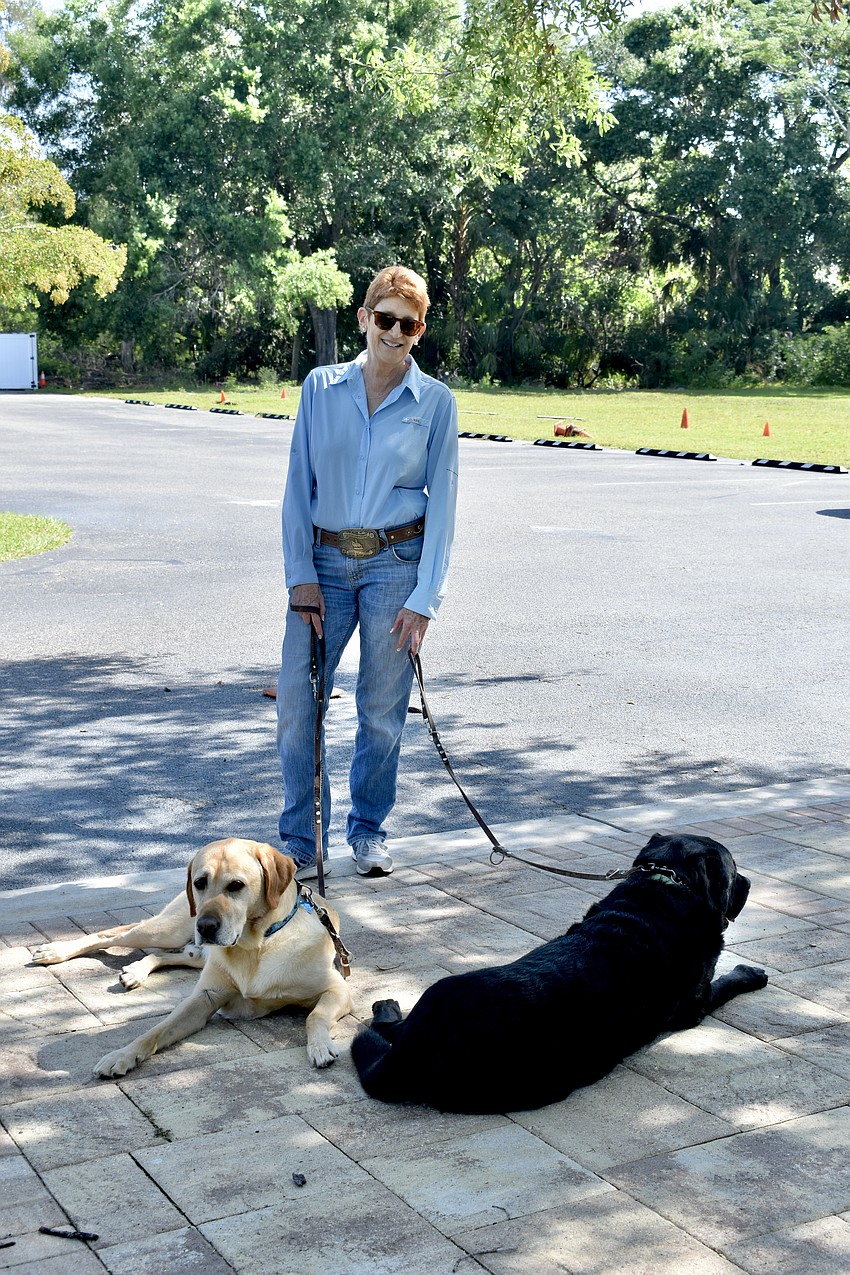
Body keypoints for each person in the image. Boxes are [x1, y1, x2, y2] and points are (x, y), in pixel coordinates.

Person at [276, 265, 459, 879]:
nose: (395, 332)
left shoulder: (434, 403)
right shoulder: (320, 388)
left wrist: (425, 598)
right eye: (385, 318)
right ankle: (300, 839)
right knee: (301, 705)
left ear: (419, 331)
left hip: (395, 566)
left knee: (381, 709)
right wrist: (300, 573)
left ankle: (368, 830)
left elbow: (446, 505)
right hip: (323, 568)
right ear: (364, 318)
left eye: (407, 324)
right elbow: (299, 487)